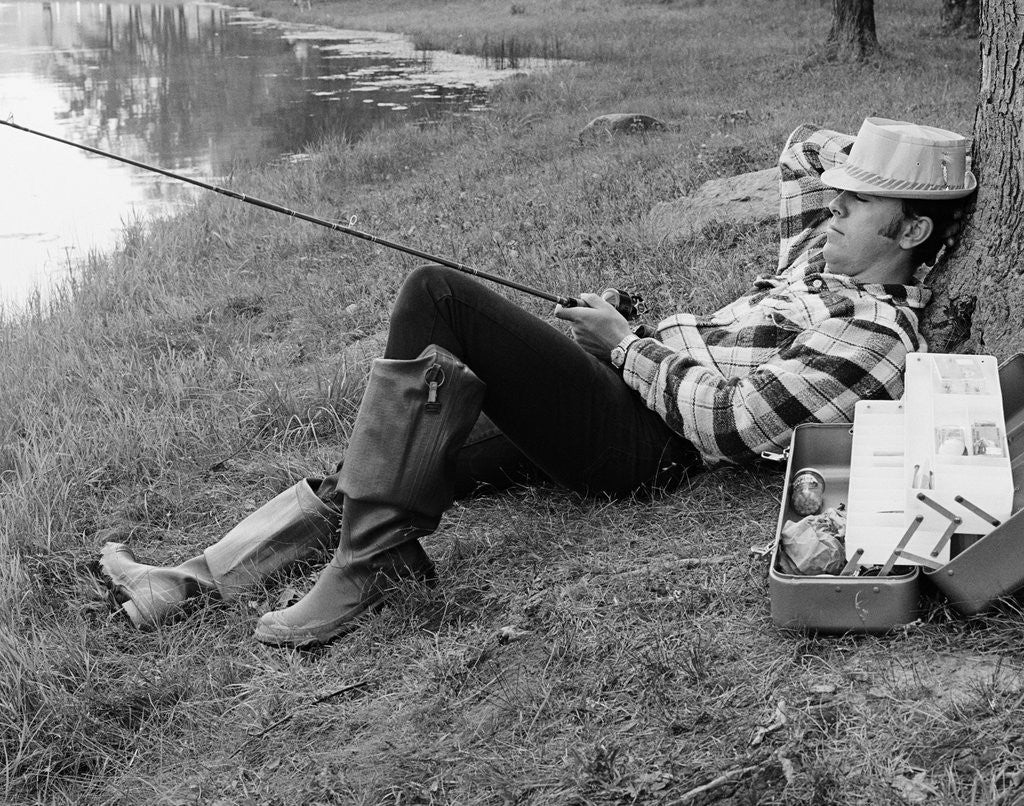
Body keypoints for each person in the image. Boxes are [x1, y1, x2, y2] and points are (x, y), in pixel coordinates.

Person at [99, 117, 976, 646]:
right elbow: (802, 151)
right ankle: (194, 582)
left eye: (855, 205)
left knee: (436, 296)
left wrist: (626, 342)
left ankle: (363, 567)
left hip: (648, 445)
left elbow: (736, 424)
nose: (829, 211)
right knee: (407, 455)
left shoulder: (872, 333)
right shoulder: (816, 264)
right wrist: (897, 166)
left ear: (907, 232)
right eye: (838, 196)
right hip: (619, 392)